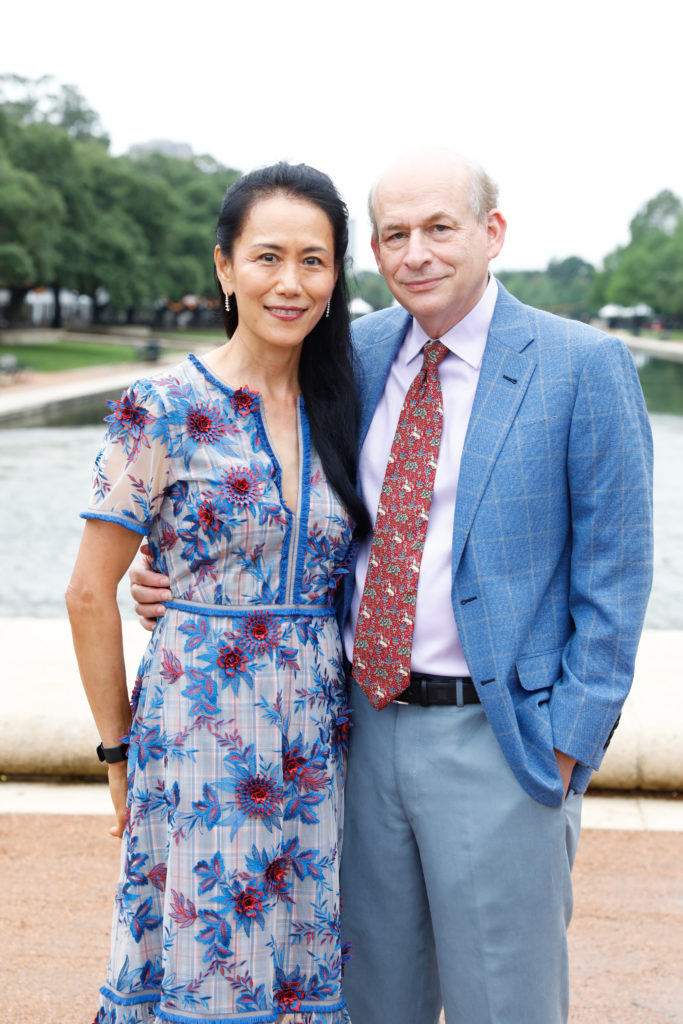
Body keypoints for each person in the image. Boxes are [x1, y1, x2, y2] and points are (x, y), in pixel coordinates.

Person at [131, 150, 654, 1024]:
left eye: (439, 228)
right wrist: (173, 579)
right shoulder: (353, 355)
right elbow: (277, 499)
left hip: (502, 744)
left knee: (504, 1006)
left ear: (491, 233)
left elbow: (617, 573)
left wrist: (565, 748)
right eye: (393, 235)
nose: (416, 253)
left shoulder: (581, 367)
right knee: (370, 1003)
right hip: (357, 739)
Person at [67, 161, 370, 1024]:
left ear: (336, 275)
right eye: (267, 256)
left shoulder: (342, 402)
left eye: (314, 260)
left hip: (316, 735)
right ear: (224, 267)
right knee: (209, 962)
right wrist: (117, 754)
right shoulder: (158, 407)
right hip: (200, 729)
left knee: (301, 964)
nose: (290, 281)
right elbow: (89, 592)